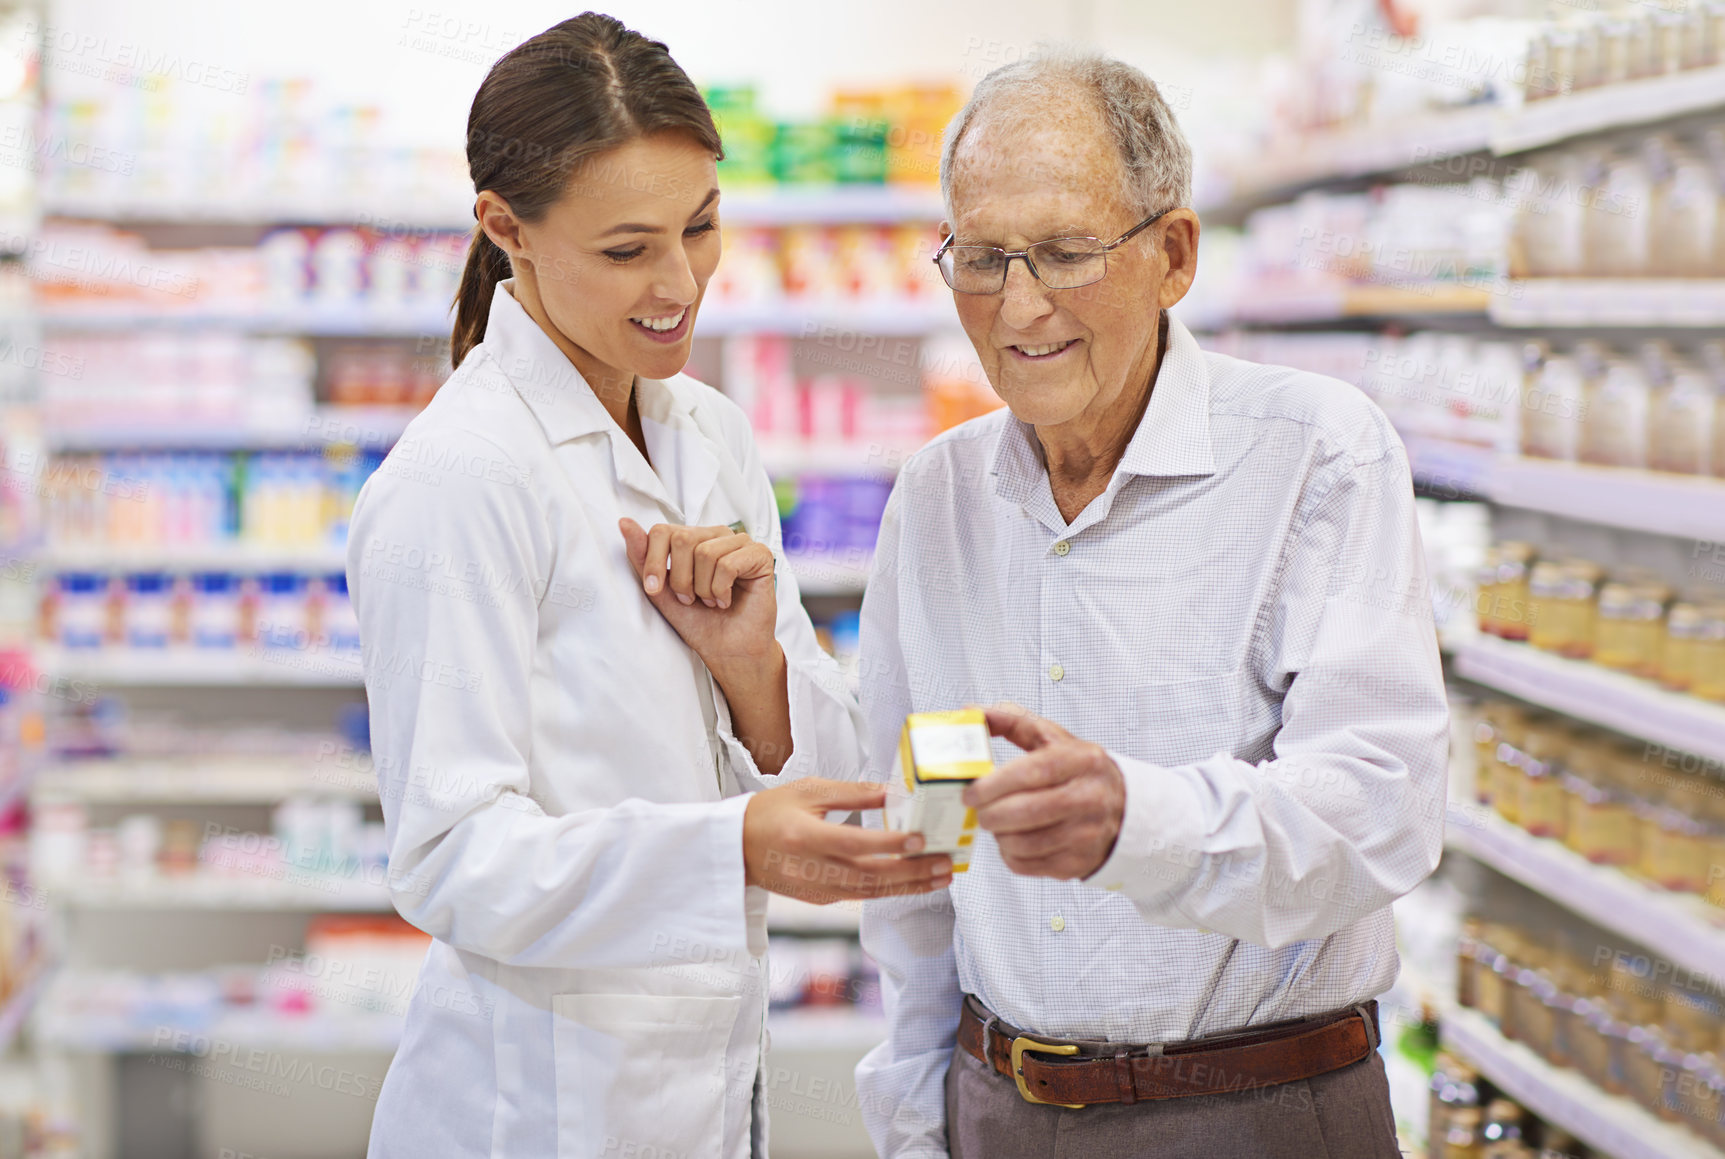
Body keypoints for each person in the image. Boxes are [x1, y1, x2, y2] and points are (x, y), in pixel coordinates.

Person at [347, 14, 951, 1159]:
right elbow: (451, 856)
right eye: (627, 251)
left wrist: (752, 668)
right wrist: (728, 847)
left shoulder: (709, 435)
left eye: (703, 228)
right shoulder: (461, 480)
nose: (681, 283)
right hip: (530, 1112)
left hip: (704, 1092)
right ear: (504, 229)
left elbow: (816, 768)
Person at [855, 49, 1448, 1159]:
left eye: (1066, 254)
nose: (1017, 306)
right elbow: (930, 840)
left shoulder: (1317, 453)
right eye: (981, 258)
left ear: (1171, 254)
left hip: (1261, 1113)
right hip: (997, 1108)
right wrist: (912, 1121)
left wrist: (1135, 820)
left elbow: (1379, 810)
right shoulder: (938, 498)